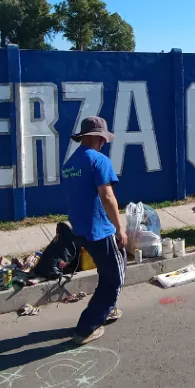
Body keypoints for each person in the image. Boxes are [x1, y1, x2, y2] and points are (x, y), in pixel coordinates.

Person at [61, 116, 127, 345]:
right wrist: (120, 229)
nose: (105, 143)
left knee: (107, 270)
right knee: (115, 279)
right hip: (100, 230)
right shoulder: (99, 160)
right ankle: (86, 328)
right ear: (98, 138)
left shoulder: (70, 163)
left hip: (80, 229)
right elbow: (107, 197)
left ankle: (107, 309)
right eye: (103, 139)